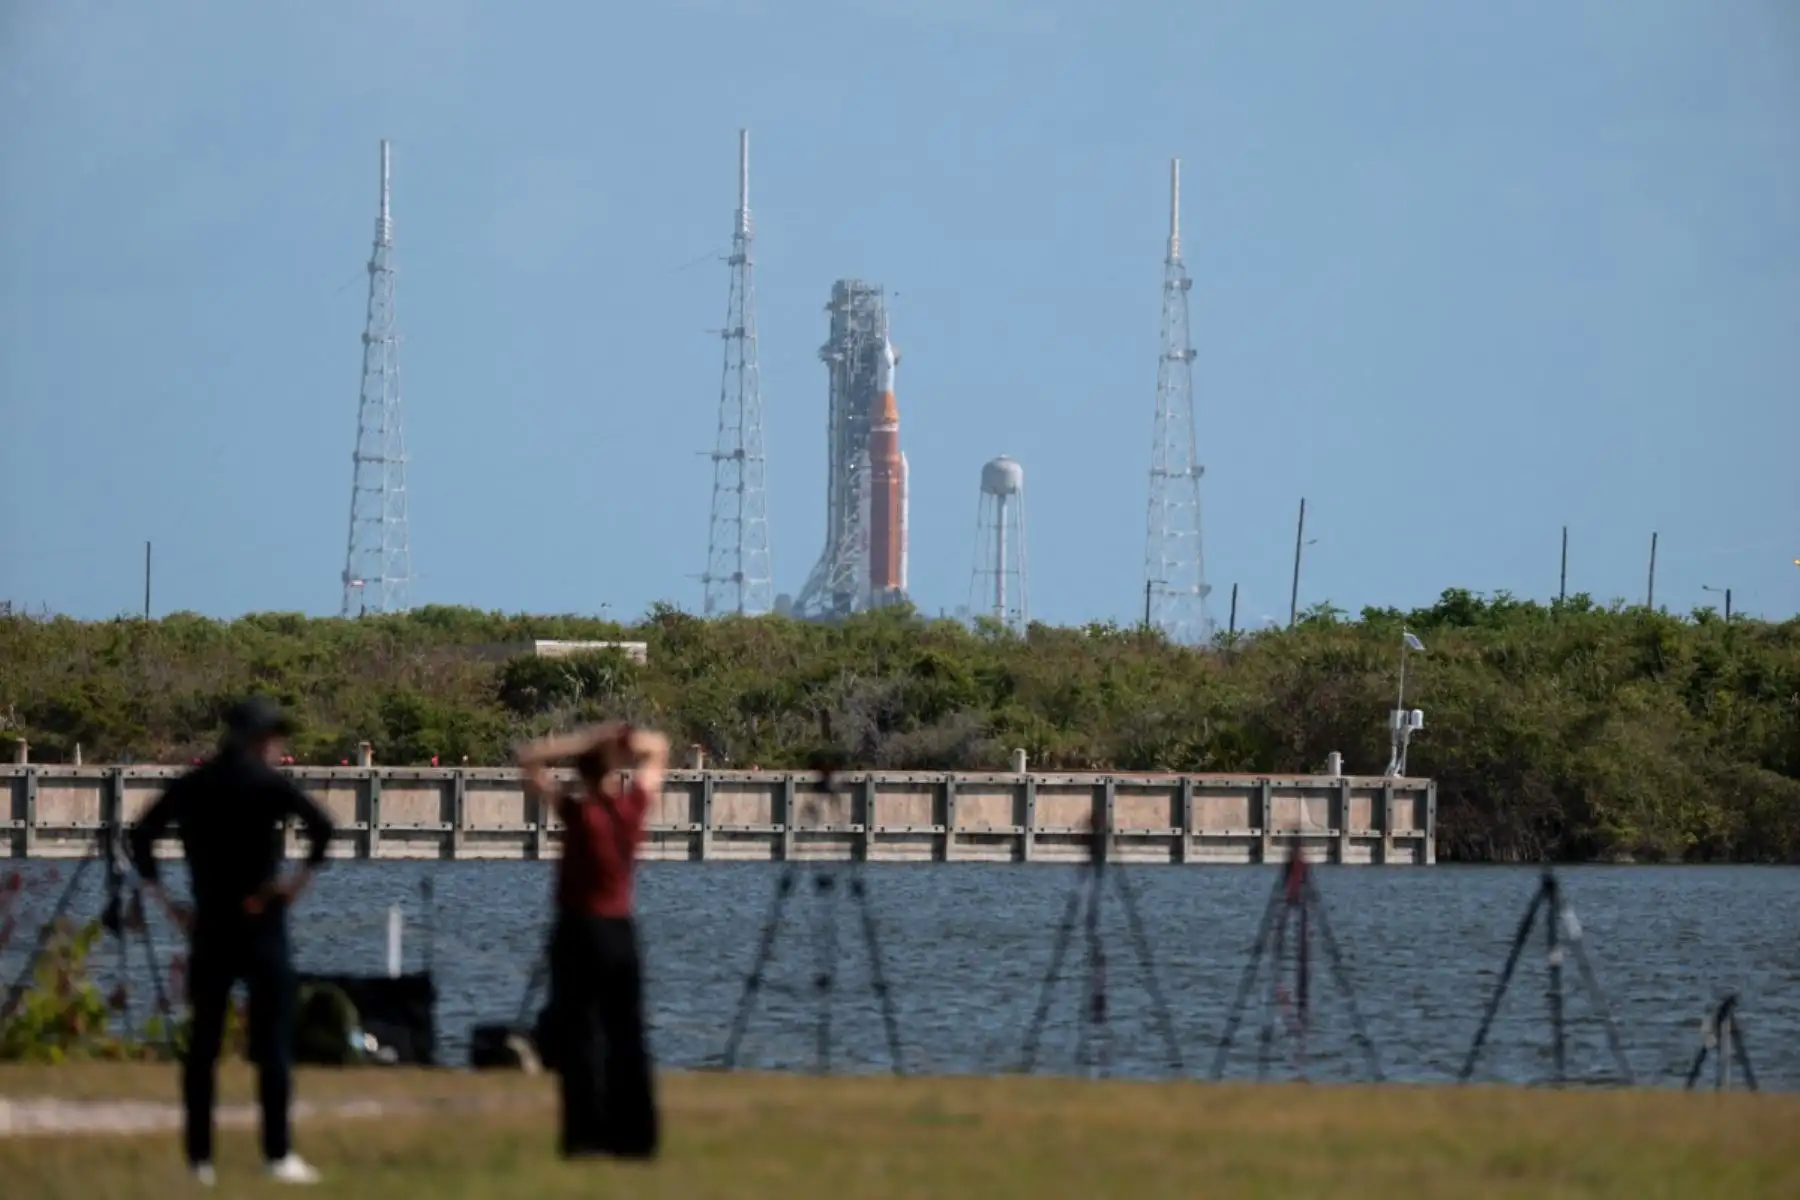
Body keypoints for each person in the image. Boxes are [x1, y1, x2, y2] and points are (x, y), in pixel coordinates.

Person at [128, 696, 336, 1188]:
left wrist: (168, 902)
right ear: (261, 740)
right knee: (273, 1046)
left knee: (203, 1046)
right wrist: (291, 887)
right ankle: (277, 1154)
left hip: (209, 923)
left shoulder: (193, 785)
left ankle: (199, 1159)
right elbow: (323, 829)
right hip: (261, 919)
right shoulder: (269, 785)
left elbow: (141, 837)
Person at [516, 719, 668, 1161]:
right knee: (628, 1035)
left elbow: (528, 759)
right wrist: (619, 741)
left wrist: (583, 740)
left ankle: (583, 1136)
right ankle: (636, 1137)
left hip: (578, 929)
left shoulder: (578, 813)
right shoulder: (630, 809)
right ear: (615, 773)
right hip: (619, 929)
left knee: (579, 1034)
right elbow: (659, 750)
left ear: (581, 776)